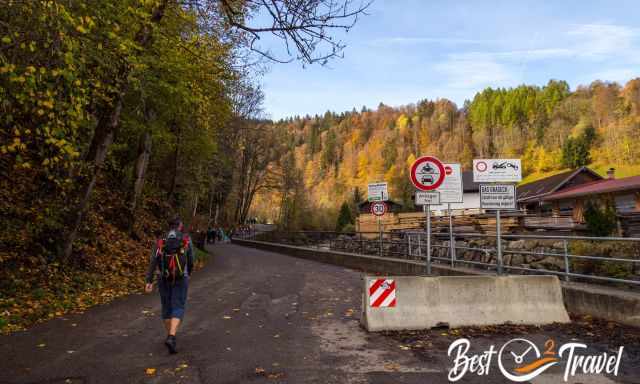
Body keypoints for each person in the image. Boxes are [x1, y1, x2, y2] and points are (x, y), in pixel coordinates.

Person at [144, 217, 194, 354]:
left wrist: (149, 281)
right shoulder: (186, 239)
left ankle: (171, 336)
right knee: (178, 305)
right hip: (180, 277)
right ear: (180, 226)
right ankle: (171, 337)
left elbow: (153, 261)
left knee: (166, 306)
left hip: (162, 277)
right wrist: (188, 272)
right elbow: (190, 259)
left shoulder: (161, 240)